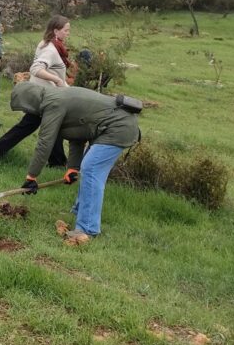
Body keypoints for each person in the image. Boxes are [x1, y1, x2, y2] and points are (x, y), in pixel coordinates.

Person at [11, 81, 139, 241]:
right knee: (88, 169)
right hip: (113, 127)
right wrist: (73, 167)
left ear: (30, 100)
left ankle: (87, 228)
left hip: (118, 128)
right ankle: (79, 212)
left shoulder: (53, 104)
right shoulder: (55, 97)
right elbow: (77, 135)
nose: (25, 112)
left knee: (91, 170)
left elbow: (45, 142)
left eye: (25, 108)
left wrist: (32, 176)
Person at [0, 15, 72, 164]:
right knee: (52, 124)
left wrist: (64, 85)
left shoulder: (45, 43)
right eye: (66, 30)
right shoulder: (51, 49)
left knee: (31, 123)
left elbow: (50, 69)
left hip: (41, 93)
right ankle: (57, 162)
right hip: (47, 95)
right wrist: (58, 80)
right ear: (55, 31)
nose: (68, 33)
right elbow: (36, 69)